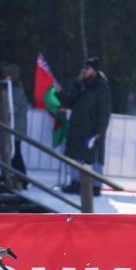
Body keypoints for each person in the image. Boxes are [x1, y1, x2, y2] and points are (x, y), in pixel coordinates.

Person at [58, 57, 111, 196]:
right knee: (74, 156)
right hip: (77, 127)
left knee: (95, 157)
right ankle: (76, 183)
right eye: (83, 68)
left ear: (94, 70)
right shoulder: (79, 85)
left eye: (87, 68)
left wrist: (100, 130)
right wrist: (60, 93)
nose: (84, 70)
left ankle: (96, 186)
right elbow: (70, 102)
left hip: (92, 128)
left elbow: (104, 112)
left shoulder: (101, 87)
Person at [1, 63, 30, 183]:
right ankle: (18, 178)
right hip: (14, 126)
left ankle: (22, 179)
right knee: (13, 153)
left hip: (16, 127)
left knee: (15, 153)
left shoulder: (16, 90)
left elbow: (12, 108)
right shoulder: (12, 89)